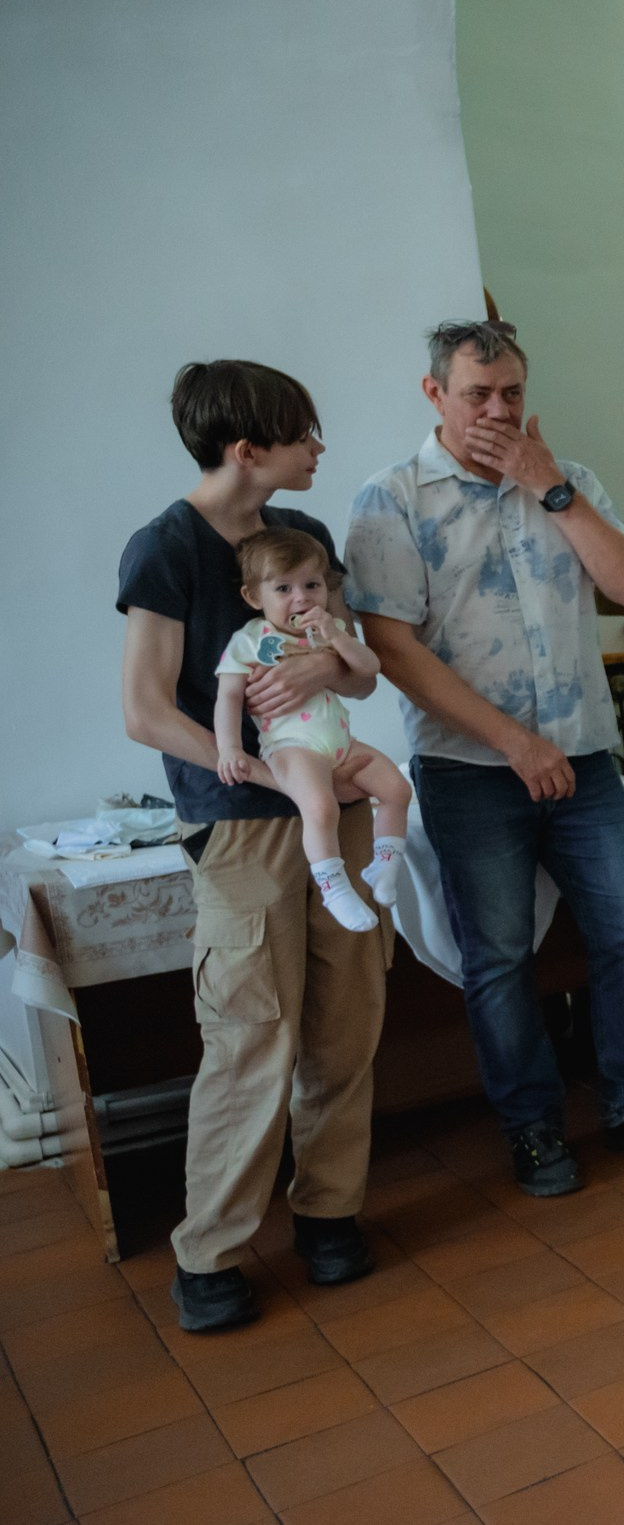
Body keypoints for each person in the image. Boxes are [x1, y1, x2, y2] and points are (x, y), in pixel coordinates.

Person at [347, 320, 624, 1197]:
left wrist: (550, 487)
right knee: (500, 955)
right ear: (434, 393)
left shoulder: (568, 480)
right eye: (477, 394)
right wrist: (513, 740)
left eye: (512, 393)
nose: (497, 411)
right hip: (471, 770)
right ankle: (531, 1128)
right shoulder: (392, 498)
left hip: (583, 758)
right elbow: (394, 649)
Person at [118, 360, 390, 1332]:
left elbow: (354, 674)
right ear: (246, 448)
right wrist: (270, 775)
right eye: (302, 431)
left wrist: (323, 667)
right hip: (241, 825)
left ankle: (328, 1211)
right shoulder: (164, 547)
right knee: (250, 1034)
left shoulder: (302, 536)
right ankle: (212, 1250)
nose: (318, 446)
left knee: (345, 1020)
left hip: (337, 806)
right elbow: (147, 711)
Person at [214, 528, 412, 929]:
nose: (301, 598)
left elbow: (369, 669)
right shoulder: (249, 640)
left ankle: (384, 867)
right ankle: (334, 888)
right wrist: (230, 748)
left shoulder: (327, 631)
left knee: (397, 788)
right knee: (320, 808)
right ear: (254, 597)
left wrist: (337, 635)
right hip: (292, 746)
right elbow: (229, 697)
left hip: (341, 743)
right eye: (283, 588)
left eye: (312, 585)